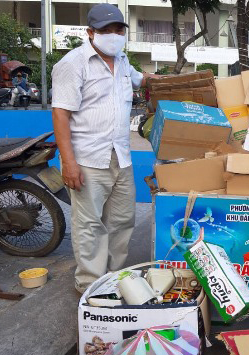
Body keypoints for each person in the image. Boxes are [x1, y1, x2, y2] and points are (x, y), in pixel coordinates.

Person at [52, 3, 160, 293]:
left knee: (123, 220)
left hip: (121, 155)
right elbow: (60, 114)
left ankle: (117, 279)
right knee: (90, 225)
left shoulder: (122, 60)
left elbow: (145, 80)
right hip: (87, 157)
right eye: (105, 30)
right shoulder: (72, 64)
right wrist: (68, 162)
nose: (113, 35)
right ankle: (89, 285)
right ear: (90, 32)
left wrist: (173, 82)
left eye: (118, 30)